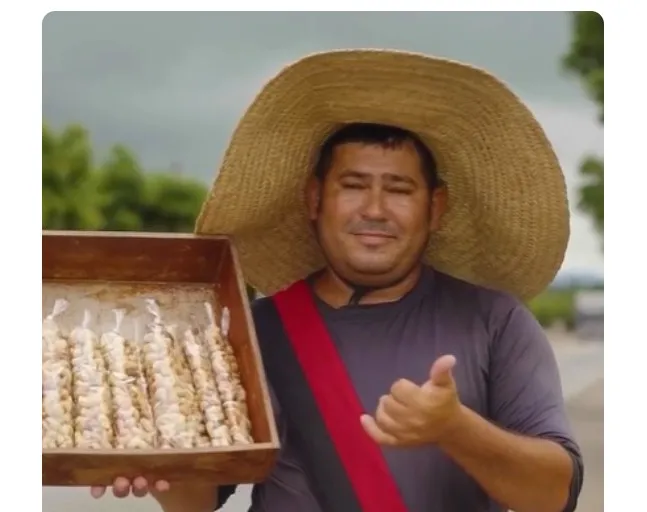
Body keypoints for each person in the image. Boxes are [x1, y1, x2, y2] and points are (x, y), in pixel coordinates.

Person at [91, 49, 583, 511]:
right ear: (314, 199)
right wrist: (156, 466)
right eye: (353, 185)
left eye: (399, 189)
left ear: (436, 208)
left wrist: (456, 428)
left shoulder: (495, 322)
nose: (374, 209)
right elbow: (200, 499)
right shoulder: (250, 331)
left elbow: (554, 494)